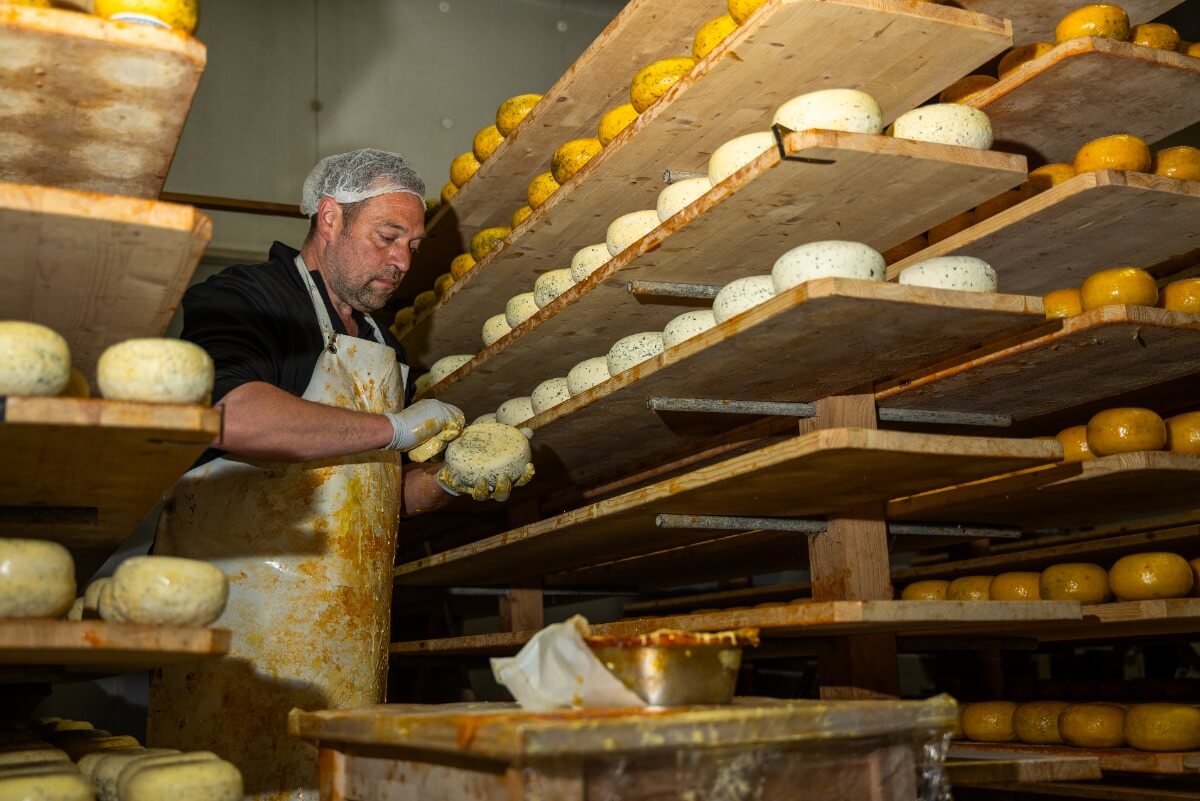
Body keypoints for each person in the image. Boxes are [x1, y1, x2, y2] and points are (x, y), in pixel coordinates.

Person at [145, 149, 508, 801]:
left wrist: (457, 476)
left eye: (413, 245)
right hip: (236, 616)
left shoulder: (385, 344)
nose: (401, 261)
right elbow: (230, 414)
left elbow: (377, 496)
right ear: (331, 218)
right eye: (387, 237)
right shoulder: (246, 297)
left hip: (342, 622)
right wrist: (393, 429)